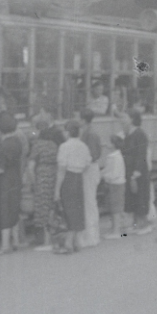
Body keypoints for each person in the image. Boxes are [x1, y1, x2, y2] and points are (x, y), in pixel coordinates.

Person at [54, 120, 92, 254]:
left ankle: (68, 242)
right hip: (79, 178)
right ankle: (76, 241)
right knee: (77, 209)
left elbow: (61, 169)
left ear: (68, 132)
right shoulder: (83, 146)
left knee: (68, 210)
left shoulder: (64, 146)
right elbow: (88, 163)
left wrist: (57, 190)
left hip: (68, 179)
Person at [27, 117, 59, 251]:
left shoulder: (37, 145)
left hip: (41, 176)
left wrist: (33, 182)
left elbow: (30, 166)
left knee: (41, 207)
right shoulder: (54, 144)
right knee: (51, 206)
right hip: (53, 175)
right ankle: (51, 239)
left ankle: (45, 242)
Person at [0, 111, 23, 253]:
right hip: (16, 177)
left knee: (5, 210)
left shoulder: (4, 145)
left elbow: (0, 168)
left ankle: (5, 245)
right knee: (14, 209)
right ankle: (16, 241)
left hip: (5, 180)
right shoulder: (17, 141)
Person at [121, 110, 153, 235]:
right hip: (129, 171)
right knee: (133, 197)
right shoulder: (129, 134)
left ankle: (144, 224)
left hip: (138, 172)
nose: (123, 120)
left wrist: (136, 172)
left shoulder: (140, 134)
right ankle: (136, 224)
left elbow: (141, 155)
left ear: (132, 119)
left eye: (125, 117)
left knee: (140, 197)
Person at [79, 109, 102, 248]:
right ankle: (92, 235)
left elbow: (92, 154)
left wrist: (81, 164)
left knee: (89, 203)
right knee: (89, 202)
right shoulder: (89, 132)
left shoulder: (90, 134)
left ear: (83, 120)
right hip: (90, 168)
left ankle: (92, 236)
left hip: (89, 169)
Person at [101, 135, 127, 239]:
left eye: (109, 142)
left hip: (116, 184)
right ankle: (113, 229)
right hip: (113, 184)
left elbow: (114, 173)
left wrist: (102, 175)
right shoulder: (113, 156)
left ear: (114, 144)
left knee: (115, 209)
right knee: (112, 207)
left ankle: (116, 231)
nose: (106, 143)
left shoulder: (115, 157)